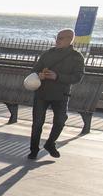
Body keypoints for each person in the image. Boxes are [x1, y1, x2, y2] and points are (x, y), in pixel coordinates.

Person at [28, 29, 85, 160]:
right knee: (37, 123)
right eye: (57, 37)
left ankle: (50, 143)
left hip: (61, 94)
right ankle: (34, 149)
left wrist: (57, 76)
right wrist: (39, 75)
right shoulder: (48, 54)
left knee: (60, 121)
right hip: (42, 93)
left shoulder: (76, 57)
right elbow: (34, 70)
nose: (57, 40)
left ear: (70, 39)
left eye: (61, 38)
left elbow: (78, 77)